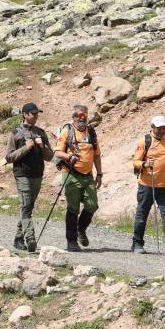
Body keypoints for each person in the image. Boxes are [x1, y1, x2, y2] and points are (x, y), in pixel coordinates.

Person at [130, 115, 165, 257]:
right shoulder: (145, 141)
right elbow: (135, 161)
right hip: (147, 185)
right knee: (142, 214)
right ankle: (137, 243)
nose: (161, 130)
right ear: (152, 127)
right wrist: (145, 164)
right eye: (159, 128)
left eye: (164, 127)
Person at [52, 104, 103, 252]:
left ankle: (81, 229)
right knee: (73, 208)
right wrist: (69, 156)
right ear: (74, 117)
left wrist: (99, 174)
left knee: (92, 205)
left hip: (88, 175)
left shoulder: (91, 132)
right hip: (71, 174)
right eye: (79, 115)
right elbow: (57, 153)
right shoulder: (67, 131)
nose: (82, 118)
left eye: (84, 116)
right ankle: (71, 240)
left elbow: (97, 155)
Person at [4, 102, 53, 252]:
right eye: (33, 114)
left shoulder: (41, 133)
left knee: (28, 207)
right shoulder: (15, 133)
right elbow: (9, 157)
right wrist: (26, 148)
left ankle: (18, 239)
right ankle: (30, 238)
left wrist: (42, 146)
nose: (36, 116)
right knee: (26, 206)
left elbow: (50, 157)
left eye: (37, 113)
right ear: (25, 115)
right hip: (22, 174)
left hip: (37, 174)